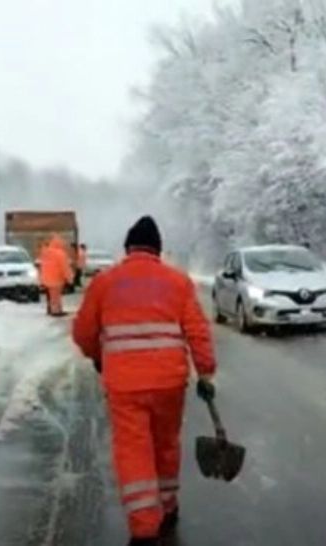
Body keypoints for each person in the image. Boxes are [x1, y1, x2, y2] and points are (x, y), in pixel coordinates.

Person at [72, 216, 216, 546]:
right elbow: (198, 330)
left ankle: (143, 527)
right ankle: (167, 507)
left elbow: (83, 332)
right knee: (166, 445)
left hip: (124, 385)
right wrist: (205, 370)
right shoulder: (178, 282)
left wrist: (98, 355)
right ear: (158, 250)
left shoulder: (105, 282)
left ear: (127, 248)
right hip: (169, 383)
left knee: (133, 450)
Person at [39, 235, 73, 316]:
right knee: (56, 296)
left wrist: (41, 278)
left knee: (51, 296)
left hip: (46, 278)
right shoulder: (60, 254)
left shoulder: (46, 252)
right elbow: (65, 268)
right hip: (57, 278)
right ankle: (56, 311)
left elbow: (42, 265)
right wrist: (69, 278)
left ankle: (52, 309)